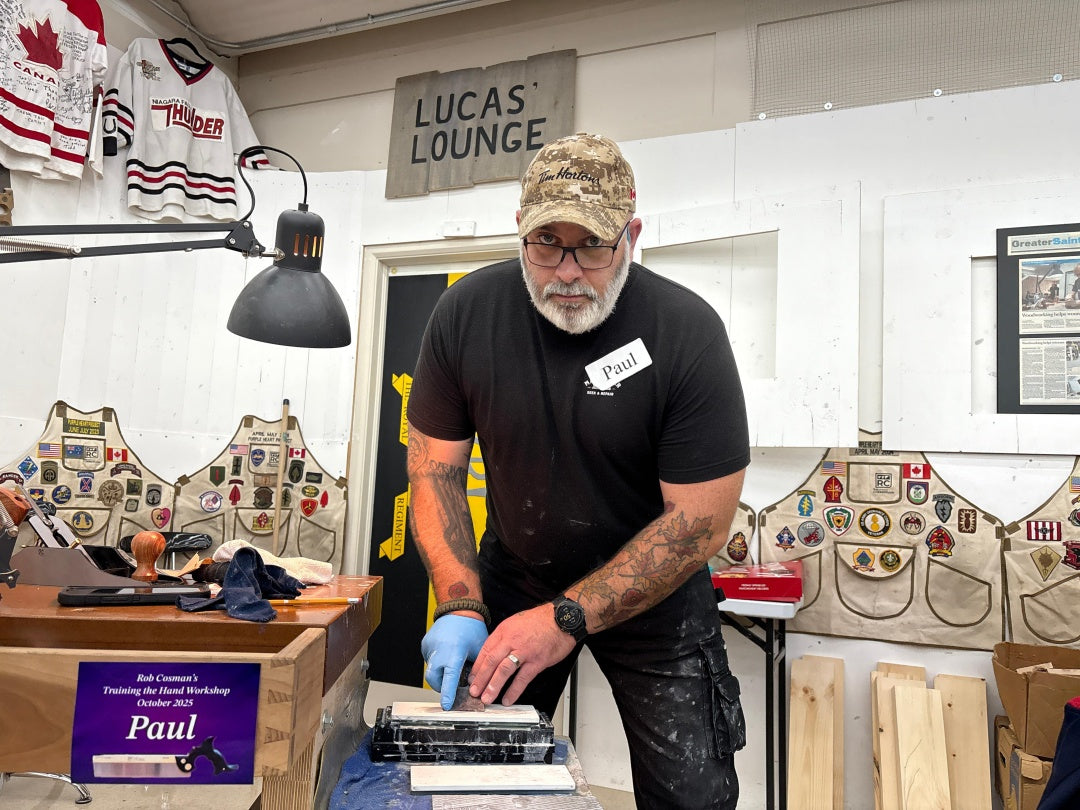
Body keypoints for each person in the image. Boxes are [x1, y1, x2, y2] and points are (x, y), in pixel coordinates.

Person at [405, 132, 750, 809]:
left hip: (656, 586)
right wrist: (460, 600)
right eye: (545, 244)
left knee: (693, 795)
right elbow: (434, 475)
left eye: (592, 246)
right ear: (519, 232)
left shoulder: (686, 330)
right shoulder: (465, 315)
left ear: (631, 234)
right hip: (517, 571)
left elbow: (699, 523)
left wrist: (566, 619)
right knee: (473, 779)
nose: (566, 272)